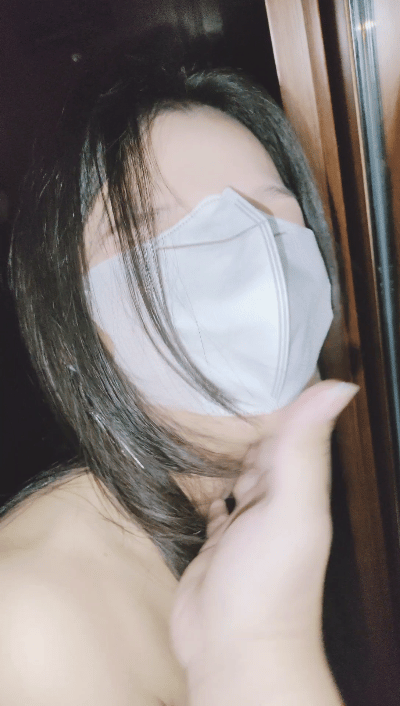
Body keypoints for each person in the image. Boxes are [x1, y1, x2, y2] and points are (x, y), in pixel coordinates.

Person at [0, 43, 359, 705]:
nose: (244, 257)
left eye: (272, 213)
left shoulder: (254, 525)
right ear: (71, 317)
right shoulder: (25, 619)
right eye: (156, 229)